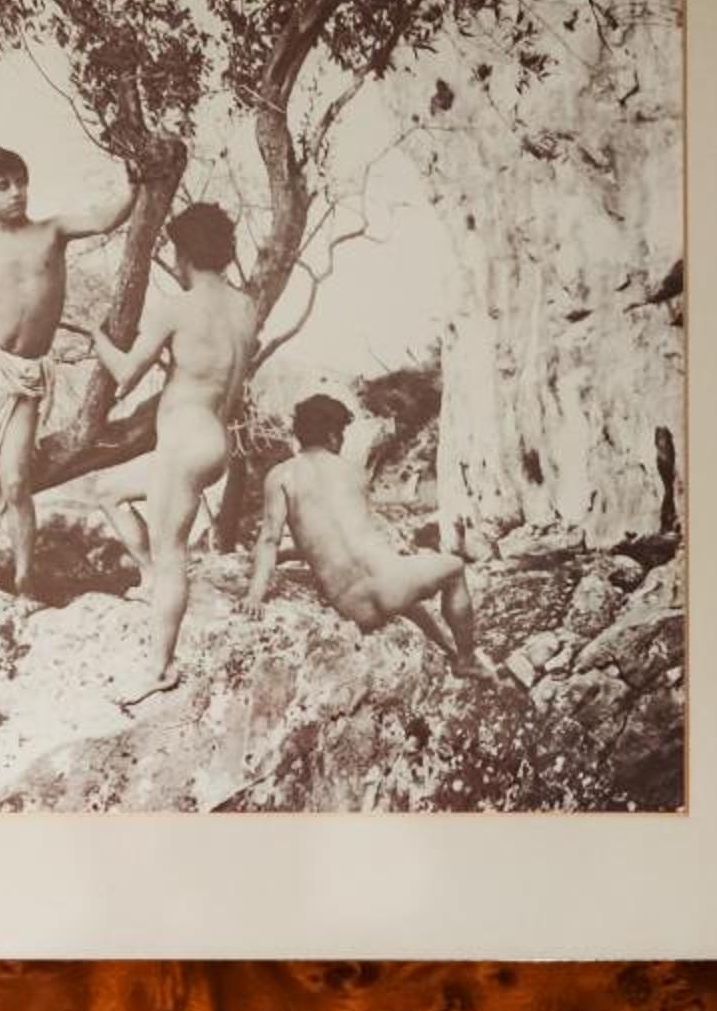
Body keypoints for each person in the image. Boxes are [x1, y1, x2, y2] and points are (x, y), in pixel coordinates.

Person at [0, 145, 135, 614]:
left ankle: (24, 584)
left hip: (27, 375)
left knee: (17, 481)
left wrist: (136, 181)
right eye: (3, 186)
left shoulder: (52, 231)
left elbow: (105, 220)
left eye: (20, 182)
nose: (16, 192)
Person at [84, 202, 258, 702]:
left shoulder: (176, 307)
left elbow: (124, 373)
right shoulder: (245, 308)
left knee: (173, 556)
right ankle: (148, 577)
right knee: (107, 491)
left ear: (185, 253)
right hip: (214, 437)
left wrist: (96, 335)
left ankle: (159, 668)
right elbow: (231, 384)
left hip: (183, 441)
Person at [243, 393, 498, 675]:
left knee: (394, 592)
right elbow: (356, 540)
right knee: (454, 568)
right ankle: (464, 660)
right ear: (332, 435)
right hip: (394, 588)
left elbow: (275, 539)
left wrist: (255, 594)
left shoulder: (281, 476)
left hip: (353, 606)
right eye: (341, 434)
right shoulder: (352, 473)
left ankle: (448, 649)